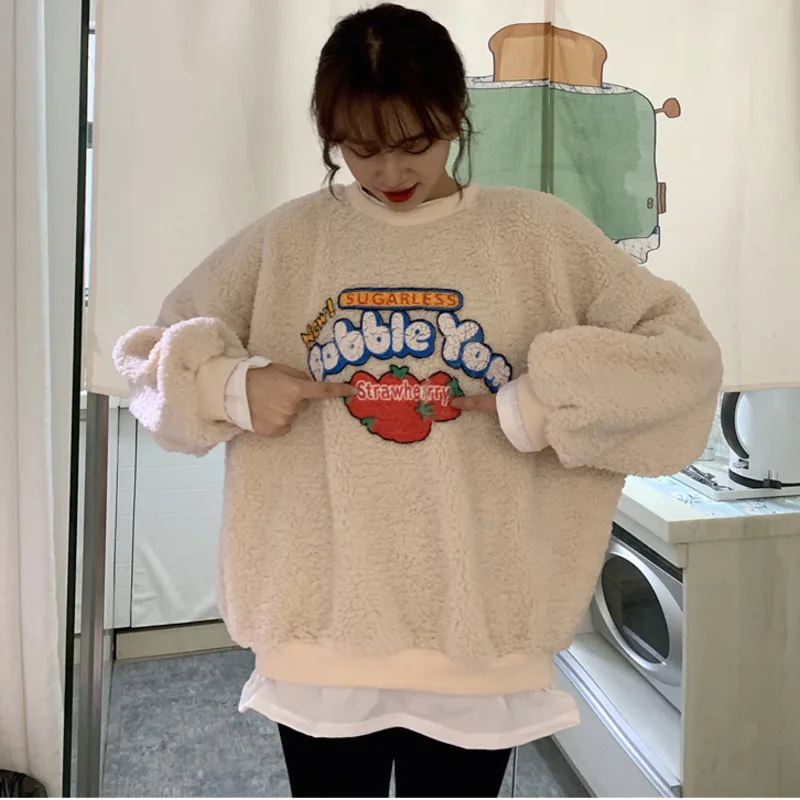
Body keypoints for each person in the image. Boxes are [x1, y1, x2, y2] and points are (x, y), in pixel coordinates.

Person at [113, 4, 723, 797]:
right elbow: (146, 362)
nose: (390, 173)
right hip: (320, 632)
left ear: (456, 114)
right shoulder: (286, 242)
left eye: (417, 143)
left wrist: (548, 402)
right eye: (360, 149)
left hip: (483, 631)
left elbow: (683, 360)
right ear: (329, 133)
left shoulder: (536, 235)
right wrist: (231, 386)